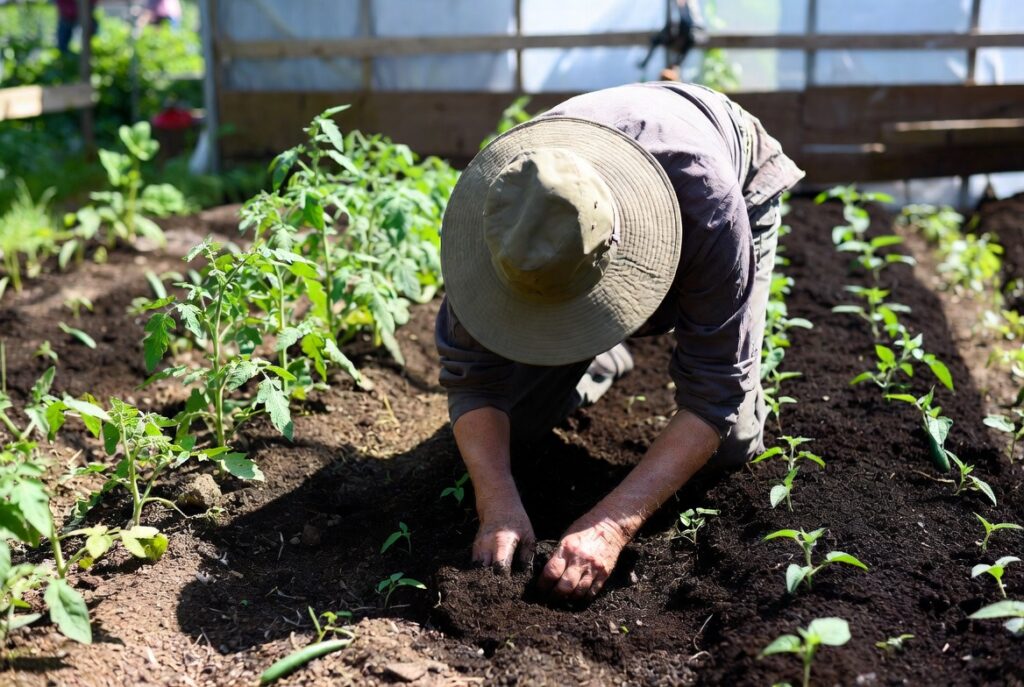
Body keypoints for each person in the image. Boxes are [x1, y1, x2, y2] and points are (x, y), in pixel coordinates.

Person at [435, 81, 804, 601]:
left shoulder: (711, 204)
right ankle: (603, 356)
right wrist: (494, 502)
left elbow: (714, 391)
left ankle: (597, 347)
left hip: (727, 165)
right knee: (513, 429)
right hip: (600, 179)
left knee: (732, 444)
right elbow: (471, 375)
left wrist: (610, 526)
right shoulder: (503, 211)